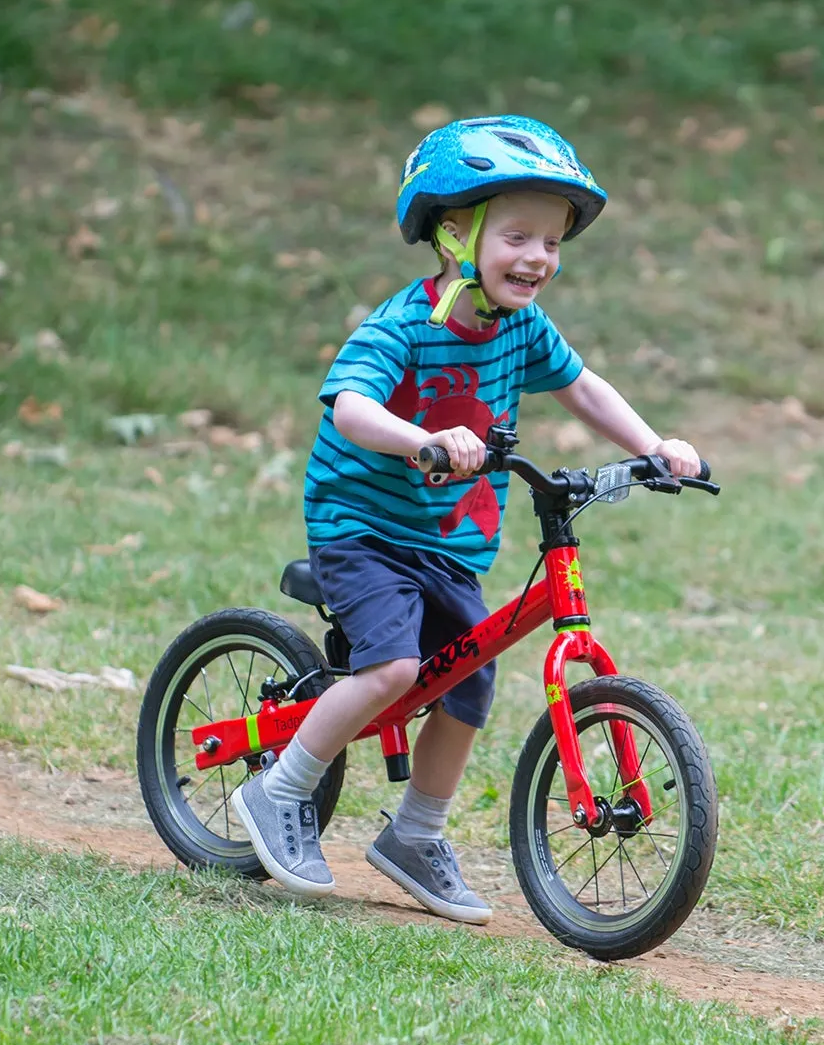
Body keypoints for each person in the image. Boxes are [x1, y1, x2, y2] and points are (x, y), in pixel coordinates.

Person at [229, 116, 701, 922]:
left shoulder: (520, 327)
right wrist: (421, 442)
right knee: (392, 670)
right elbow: (349, 408)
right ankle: (279, 792)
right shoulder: (405, 324)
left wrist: (655, 445)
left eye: (552, 242)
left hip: (447, 540)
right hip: (364, 527)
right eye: (517, 235)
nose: (539, 258)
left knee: (470, 679)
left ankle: (416, 834)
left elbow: (583, 388)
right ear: (456, 234)